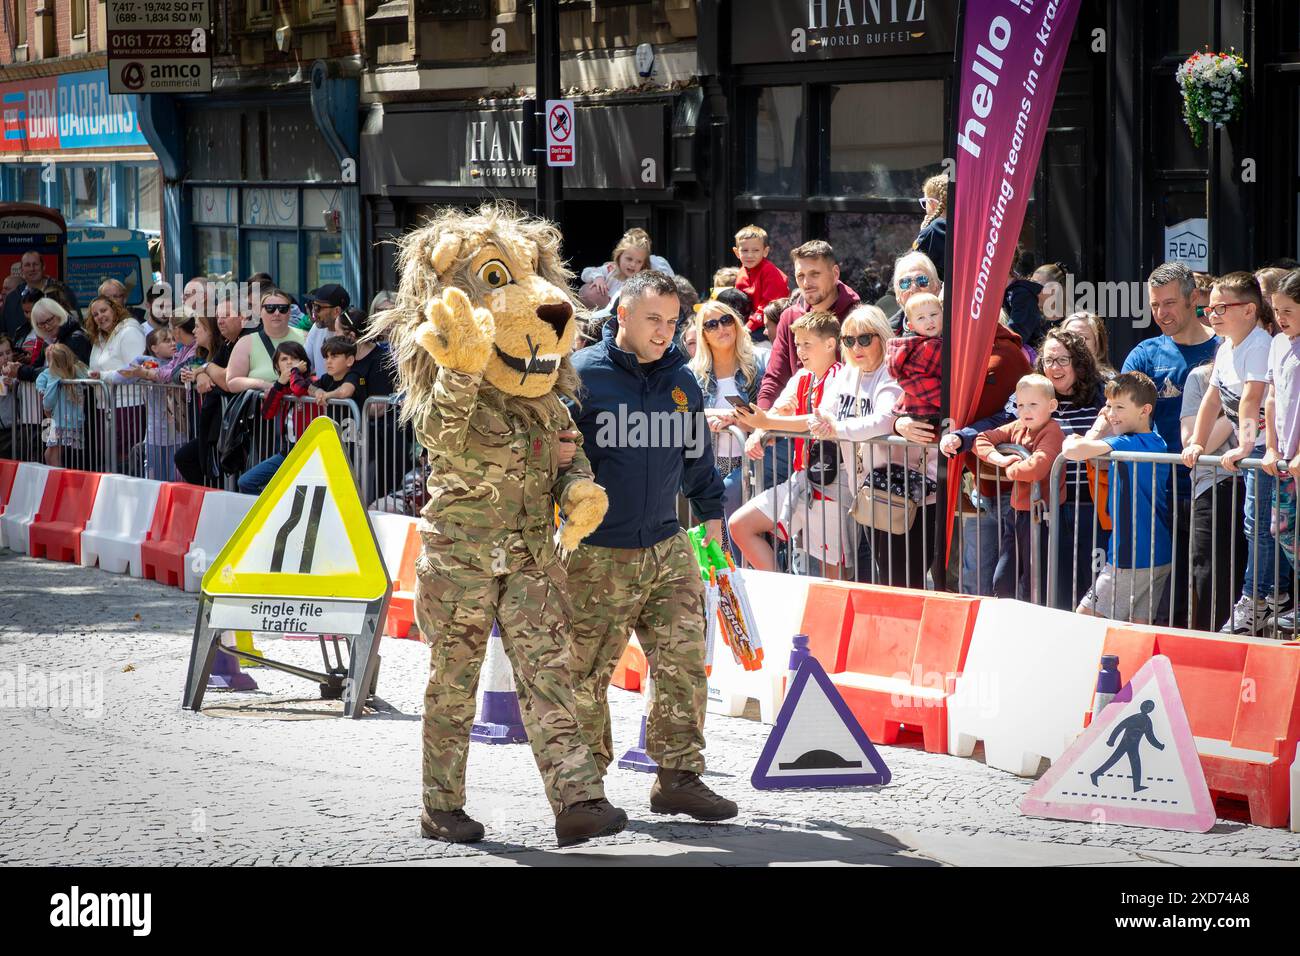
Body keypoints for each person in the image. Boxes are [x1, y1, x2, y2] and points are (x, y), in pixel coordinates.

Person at [567, 269, 736, 822]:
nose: (665, 331)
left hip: (667, 545)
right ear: (623, 316)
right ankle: (585, 788)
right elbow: (555, 459)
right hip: (596, 553)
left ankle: (678, 777)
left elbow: (696, 459)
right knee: (589, 673)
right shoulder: (580, 376)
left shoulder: (683, 381)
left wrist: (712, 514)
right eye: (653, 320)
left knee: (684, 662)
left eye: (672, 321)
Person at [1183, 272, 1285, 634]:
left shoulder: (1260, 344)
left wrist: (1244, 445)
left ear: (1250, 310)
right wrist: (1197, 440)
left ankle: (1266, 595)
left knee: (1266, 527)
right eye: (1209, 307)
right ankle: (1263, 595)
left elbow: (1252, 398)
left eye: (1222, 307)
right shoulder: (1226, 347)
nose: (1213, 313)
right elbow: (1213, 399)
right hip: (1254, 453)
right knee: (1258, 525)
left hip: (1266, 451)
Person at [1119, 261, 1219, 628]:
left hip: (1212, 487)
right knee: (1163, 588)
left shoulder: (1224, 347)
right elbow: (1117, 410)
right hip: (1156, 490)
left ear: (1194, 298)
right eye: (1155, 304)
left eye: (1170, 303)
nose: (1161, 313)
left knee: (1208, 581)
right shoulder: (1145, 353)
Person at [729, 310, 844, 575]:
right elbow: (777, 411)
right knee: (740, 525)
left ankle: (827, 614)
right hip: (801, 479)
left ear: (830, 344)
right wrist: (759, 433)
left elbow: (813, 422)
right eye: (797, 344)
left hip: (833, 483)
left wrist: (765, 424)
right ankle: (780, 591)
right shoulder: (801, 377)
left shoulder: (841, 376)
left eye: (807, 344)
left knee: (831, 573)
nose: (800, 351)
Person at [1066, 372, 1172, 625]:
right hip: (1156, 553)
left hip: (1131, 555)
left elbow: (1074, 451)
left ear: (1144, 410)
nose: (1111, 414)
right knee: (1136, 629)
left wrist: (1083, 435)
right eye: (1109, 407)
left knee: (1083, 621)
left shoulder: (1130, 443)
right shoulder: (1154, 440)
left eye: (1120, 407)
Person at [973, 375, 1065, 600]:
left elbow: (1037, 467)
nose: (1026, 410)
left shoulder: (1052, 431)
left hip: (1043, 516)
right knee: (1003, 579)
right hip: (1016, 513)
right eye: (1020, 405)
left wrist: (1011, 469)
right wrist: (999, 458)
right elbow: (981, 439)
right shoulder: (1018, 426)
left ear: (1051, 406)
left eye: (1033, 404)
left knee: (1035, 582)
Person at [688, 298, 767, 560]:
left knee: (739, 532)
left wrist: (735, 420)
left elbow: (766, 413)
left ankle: (741, 580)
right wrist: (720, 415)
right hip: (710, 463)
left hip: (748, 463)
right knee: (715, 536)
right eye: (711, 324)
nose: (721, 328)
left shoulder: (756, 365)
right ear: (703, 335)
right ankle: (724, 586)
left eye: (726, 320)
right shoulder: (693, 373)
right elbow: (686, 412)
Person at [757, 240, 860, 412]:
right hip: (797, 432)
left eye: (814, 274)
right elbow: (774, 379)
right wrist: (761, 425)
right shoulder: (789, 317)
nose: (806, 283)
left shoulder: (858, 317)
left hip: (843, 427)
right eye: (800, 276)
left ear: (835, 274)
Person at [1181, 360, 1246, 632]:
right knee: (1211, 579)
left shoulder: (1269, 374)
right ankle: (1210, 652)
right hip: (1213, 488)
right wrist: (1240, 403)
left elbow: (1257, 434)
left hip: (1260, 483)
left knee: (1257, 586)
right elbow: (1195, 445)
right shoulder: (1200, 377)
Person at [1265, 270, 1300, 634]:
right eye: (1276, 310)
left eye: (1288, 310)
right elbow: (1271, 397)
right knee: (1283, 528)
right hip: (1285, 460)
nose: (1280, 317)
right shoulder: (1277, 344)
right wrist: (1272, 447)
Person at [237, 342, 319, 495]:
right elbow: (267, 413)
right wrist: (279, 384)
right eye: (284, 359)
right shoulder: (281, 388)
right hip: (288, 452)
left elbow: (299, 389)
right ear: (276, 365)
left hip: (310, 456)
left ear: (303, 363)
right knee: (246, 482)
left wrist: (294, 372)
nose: (289, 362)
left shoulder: (312, 383)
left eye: (294, 358)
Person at [85, 295, 148, 471]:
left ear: (115, 309)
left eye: (103, 310)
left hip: (129, 405)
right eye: (95, 314)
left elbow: (135, 370)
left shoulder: (129, 331)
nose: (100, 316)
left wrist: (103, 376)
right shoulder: (99, 338)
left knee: (127, 459)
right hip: (105, 406)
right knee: (111, 459)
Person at [129, 327, 184, 481]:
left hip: (180, 432)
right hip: (156, 434)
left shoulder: (180, 362)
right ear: (154, 348)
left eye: (174, 339)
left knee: (178, 478)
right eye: (166, 341)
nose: (173, 343)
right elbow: (131, 373)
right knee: (155, 478)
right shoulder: (149, 363)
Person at [224, 289, 306, 394]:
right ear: (260, 312)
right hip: (263, 408)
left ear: (290, 312)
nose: (277, 313)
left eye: (283, 309)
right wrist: (263, 385)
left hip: (301, 409)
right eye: (270, 308)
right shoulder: (246, 342)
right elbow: (232, 382)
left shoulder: (306, 337)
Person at [578, 228, 672, 311]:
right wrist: (598, 277)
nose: (633, 264)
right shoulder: (611, 270)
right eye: (629, 259)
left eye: (639, 261)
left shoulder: (640, 281)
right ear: (619, 256)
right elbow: (586, 273)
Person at [888, 292, 943, 426]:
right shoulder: (929, 347)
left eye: (934, 315)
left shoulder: (916, 347)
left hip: (916, 409)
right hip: (928, 412)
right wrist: (951, 402)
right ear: (911, 326)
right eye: (921, 318)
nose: (929, 321)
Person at [1, 250, 74, 343]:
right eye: (27, 265)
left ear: (43, 267)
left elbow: (75, 323)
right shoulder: (12, 298)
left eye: (35, 264)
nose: (32, 269)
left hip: (58, 352)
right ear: (21, 270)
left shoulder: (61, 292)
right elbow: (3, 333)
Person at [36, 343, 88, 468]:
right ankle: (56, 481)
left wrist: (46, 408)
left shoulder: (56, 376)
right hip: (65, 421)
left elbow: (49, 398)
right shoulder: (75, 370)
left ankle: (59, 483)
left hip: (62, 422)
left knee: (53, 456)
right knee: (49, 455)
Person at [733, 224, 790, 337]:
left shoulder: (769, 271)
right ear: (736, 252)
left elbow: (769, 305)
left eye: (755, 250)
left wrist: (749, 326)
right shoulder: (741, 273)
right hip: (751, 322)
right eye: (744, 250)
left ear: (765, 251)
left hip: (772, 322)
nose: (750, 255)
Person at [885, 250, 941, 334]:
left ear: (936, 287)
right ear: (898, 296)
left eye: (921, 280)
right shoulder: (888, 334)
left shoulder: (956, 323)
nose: (914, 288)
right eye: (905, 283)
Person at [304, 284, 350, 376]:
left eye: (318, 307)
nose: (313, 311)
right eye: (313, 305)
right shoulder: (316, 328)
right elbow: (305, 364)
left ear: (336, 311)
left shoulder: (351, 334)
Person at [911, 173, 948, 282]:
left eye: (925, 202)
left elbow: (914, 262)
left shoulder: (933, 230)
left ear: (932, 203)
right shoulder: (964, 227)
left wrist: (923, 232)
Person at [1061, 311, 1114, 379]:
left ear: (1098, 345)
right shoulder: (1054, 376)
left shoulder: (1109, 384)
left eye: (1082, 338)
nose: (1074, 342)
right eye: (1069, 337)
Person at [309, 336, 359, 406]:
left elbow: (344, 392)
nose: (328, 361)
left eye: (334, 356)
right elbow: (310, 388)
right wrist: (318, 392)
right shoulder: (327, 377)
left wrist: (327, 395)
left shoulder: (353, 375)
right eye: (326, 357)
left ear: (349, 361)